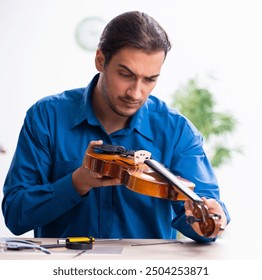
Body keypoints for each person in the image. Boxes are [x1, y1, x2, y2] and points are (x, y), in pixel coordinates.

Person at [2, 11, 230, 243]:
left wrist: (207, 222)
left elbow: (205, 212)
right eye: (125, 75)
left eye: (150, 79)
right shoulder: (46, 117)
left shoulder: (177, 131)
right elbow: (15, 215)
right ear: (100, 60)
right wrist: (77, 182)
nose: (136, 92)